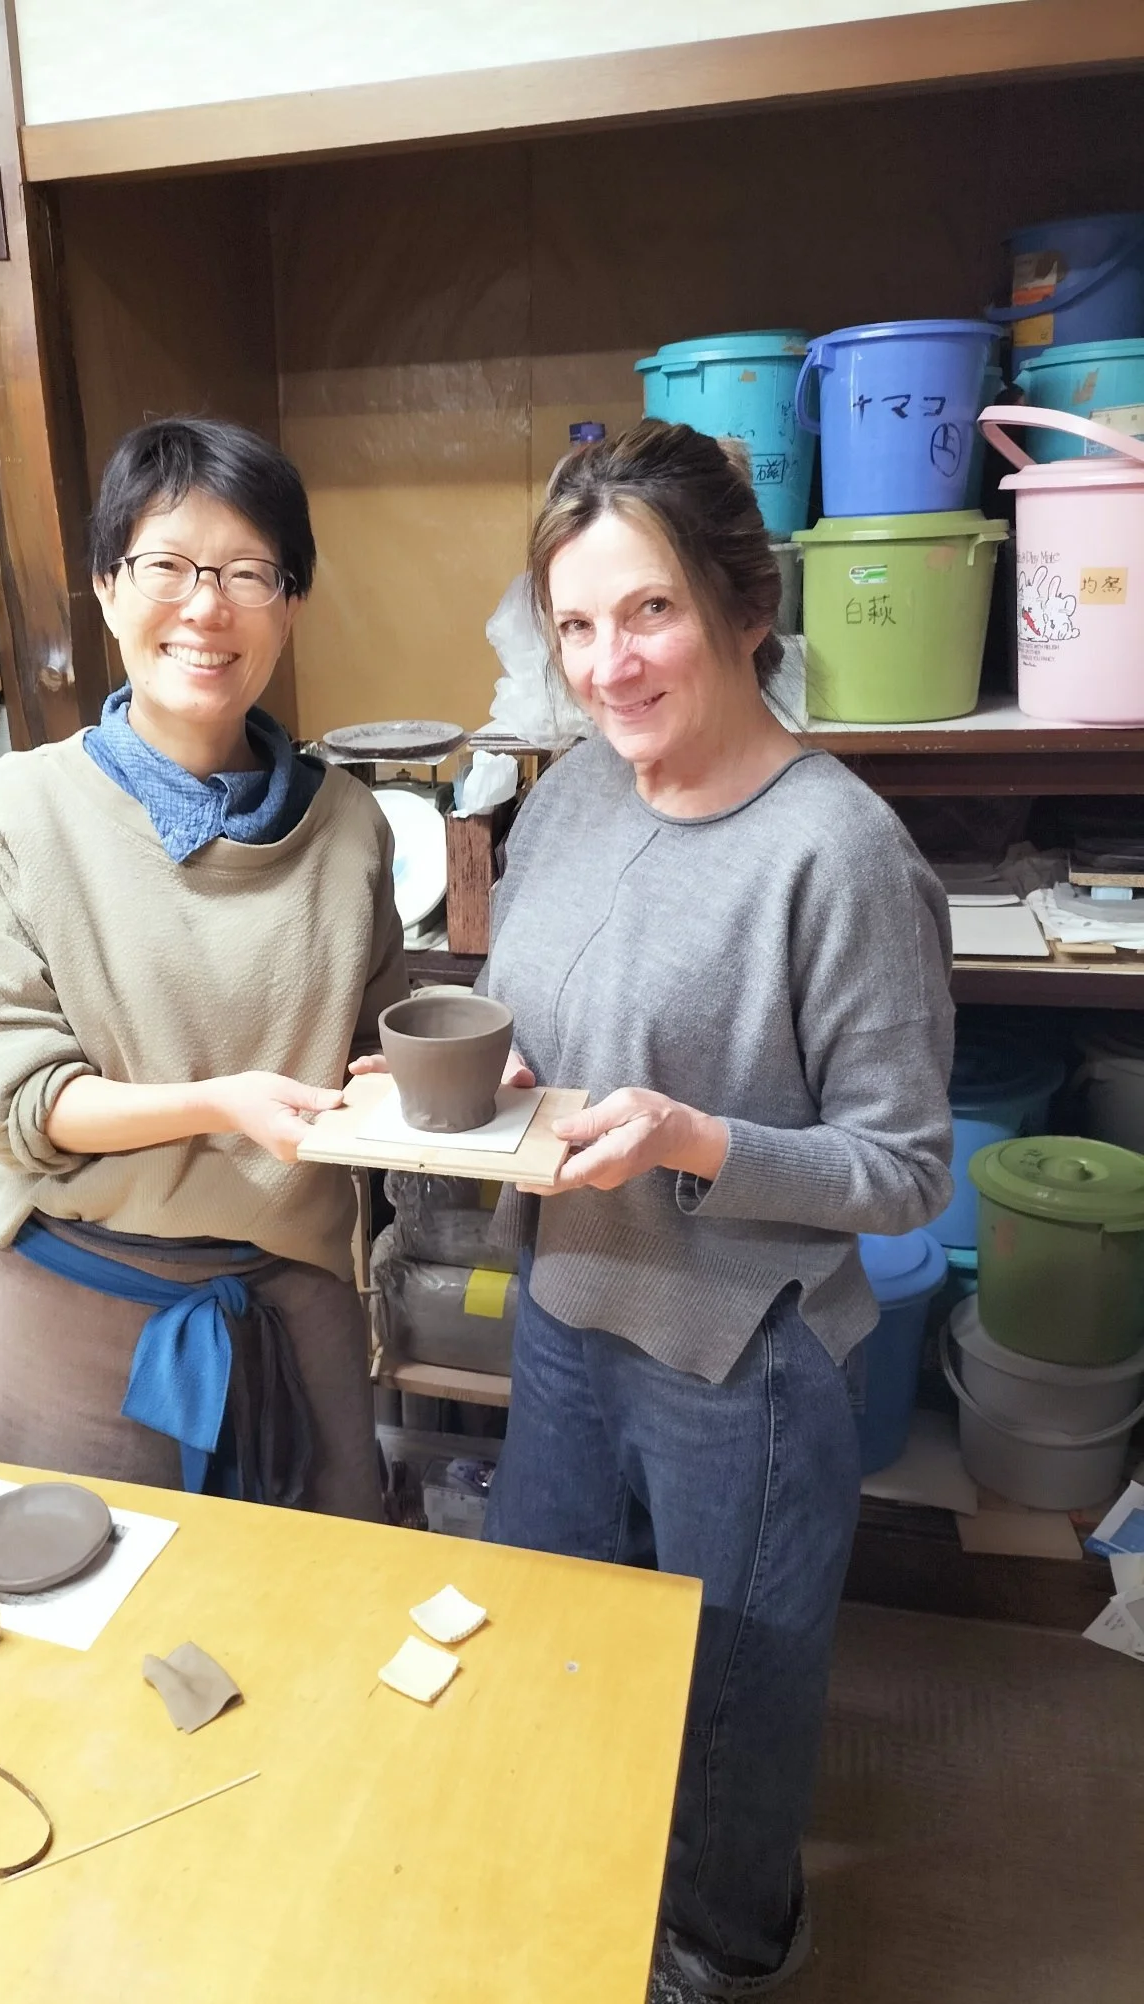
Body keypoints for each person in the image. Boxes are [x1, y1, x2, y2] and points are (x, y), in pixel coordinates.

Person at [480, 421, 953, 1999]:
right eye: (573, 624)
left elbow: (902, 1167)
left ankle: (721, 1960)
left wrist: (698, 1140)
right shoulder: (566, 797)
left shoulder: (837, 852)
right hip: (565, 1310)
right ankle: (572, 1921)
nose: (606, 665)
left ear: (744, 608)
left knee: (726, 1715)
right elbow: (541, 1017)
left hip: (740, 1359)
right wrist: (481, 1077)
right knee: (558, 1642)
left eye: (648, 611)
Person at [0, 416, 405, 1517]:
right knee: (71, 1603)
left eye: (249, 573)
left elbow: (369, 1062)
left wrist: (436, 1090)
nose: (206, 607)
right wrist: (218, 1105)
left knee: (318, 1598)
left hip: (295, 1307)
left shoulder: (350, 823)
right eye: (167, 566)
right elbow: (18, 1107)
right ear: (108, 588)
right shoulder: (18, 812)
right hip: (78, 1308)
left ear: (290, 606)